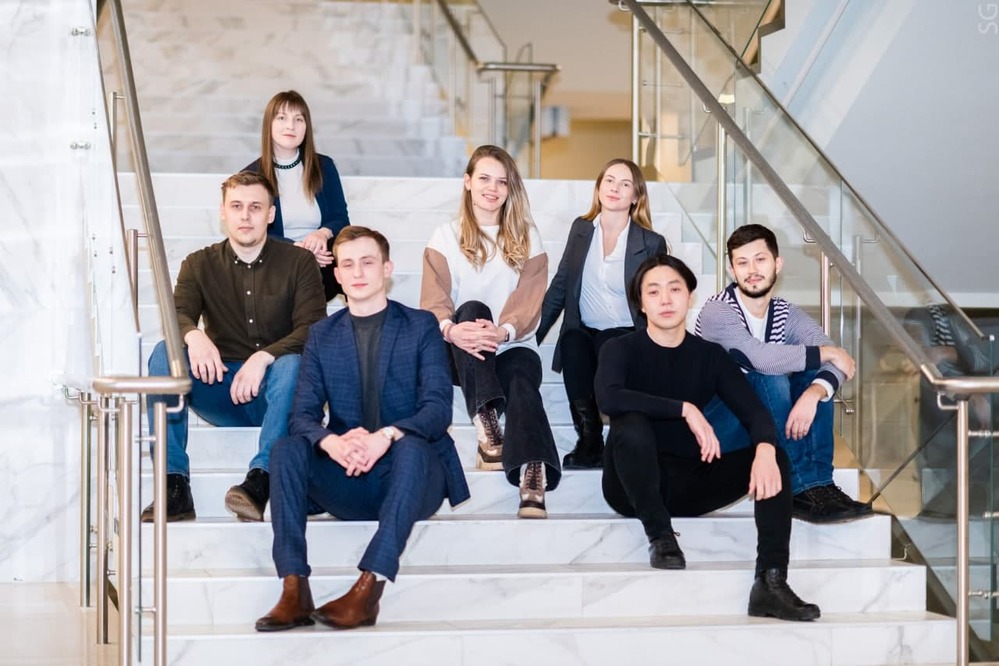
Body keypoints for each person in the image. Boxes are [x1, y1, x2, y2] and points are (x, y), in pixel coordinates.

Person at [255, 226, 469, 632]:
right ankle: (294, 588)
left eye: (368, 262)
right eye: (348, 264)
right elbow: (302, 415)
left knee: (412, 446)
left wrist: (384, 437)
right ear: (336, 274)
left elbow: (438, 410)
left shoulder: (420, 326)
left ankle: (369, 589)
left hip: (410, 479)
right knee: (286, 448)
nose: (357, 272)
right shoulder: (322, 335)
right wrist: (332, 443)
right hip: (348, 477)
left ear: (386, 268)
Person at [596, 253, 820, 622]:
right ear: (641, 303)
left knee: (773, 455)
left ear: (690, 297)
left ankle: (770, 582)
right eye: (653, 292)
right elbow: (609, 399)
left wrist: (765, 448)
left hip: (692, 484)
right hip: (630, 488)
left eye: (674, 289)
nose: (665, 299)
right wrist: (684, 408)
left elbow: (754, 412)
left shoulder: (710, 356)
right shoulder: (620, 349)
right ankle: (661, 537)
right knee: (630, 424)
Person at [144, 171, 327, 522]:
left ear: (270, 214)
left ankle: (260, 481)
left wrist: (264, 356)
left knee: (291, 363)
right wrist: (193, 335)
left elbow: (313, 328)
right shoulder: (198, 263)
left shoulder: (299, 262)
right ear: (223, 212)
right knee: (164, 353)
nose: (246, 216)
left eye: (255, 207)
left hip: (277, 392)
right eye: (237, 206)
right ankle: (174, 485)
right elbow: (176, 313)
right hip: (220, 387)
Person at [694, 224, 872, 523]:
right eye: (742, 262)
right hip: (717, 428)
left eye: (760, 259)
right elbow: (759, 358)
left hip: (762, 427)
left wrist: (814, 393)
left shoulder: (786, 313)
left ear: (777, 264)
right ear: (731, 270)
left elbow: (837, 361)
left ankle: (821, 483)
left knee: (812, 375)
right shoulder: (718, 311)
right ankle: (798, 486)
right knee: (770, 376)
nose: (752, 270)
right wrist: (828, 353)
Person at [420, 144, 560, 518]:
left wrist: (502, 332)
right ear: (467, 182)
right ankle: (486, 420)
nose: (492, 188)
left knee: (522, 383)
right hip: (459, 352)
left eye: (502, 181)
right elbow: (433, 300)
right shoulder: (444, 236)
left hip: (513, 344)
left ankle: (533, 473)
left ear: (510, 188)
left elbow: (530, 300)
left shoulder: (528, 237)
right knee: (471, 309)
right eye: (484, 178)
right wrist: (453, 331)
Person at [536, 158, 668, 469]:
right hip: (585, 331)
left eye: (625, 184)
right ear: (598, 188)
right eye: (609, 180)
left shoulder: (650, 243)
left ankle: (622, 437)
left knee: (608, 341)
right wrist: (532, 335)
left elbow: (659, 301)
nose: (615, 188)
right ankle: (590, 438)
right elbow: (561, 284)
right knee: (571, 341)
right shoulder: (581, 230)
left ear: (635, 196)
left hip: (627, 335)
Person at [245, 90, 350, 302]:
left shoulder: (324, 166)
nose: (290, 126)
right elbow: (252, 232)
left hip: (322, 261)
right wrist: (296, 249)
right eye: (282, 118)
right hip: (277, 259)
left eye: (298, 119)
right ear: (269, 125)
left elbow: (341, 218)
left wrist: (322, 234)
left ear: (306, 127)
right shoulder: (252, 176)